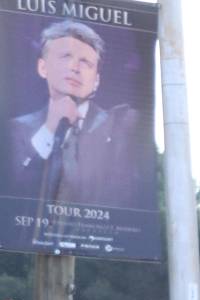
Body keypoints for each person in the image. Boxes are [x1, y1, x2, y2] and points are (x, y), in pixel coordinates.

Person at [3, 19, 150, 219]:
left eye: (86, 62)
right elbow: (12, 198)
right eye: (65, 57)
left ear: (96, 80)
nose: (75, 68)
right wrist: (50, 127)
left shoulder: (121, 127)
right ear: (43, 68)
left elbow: (128, 201)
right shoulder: (14, 130)